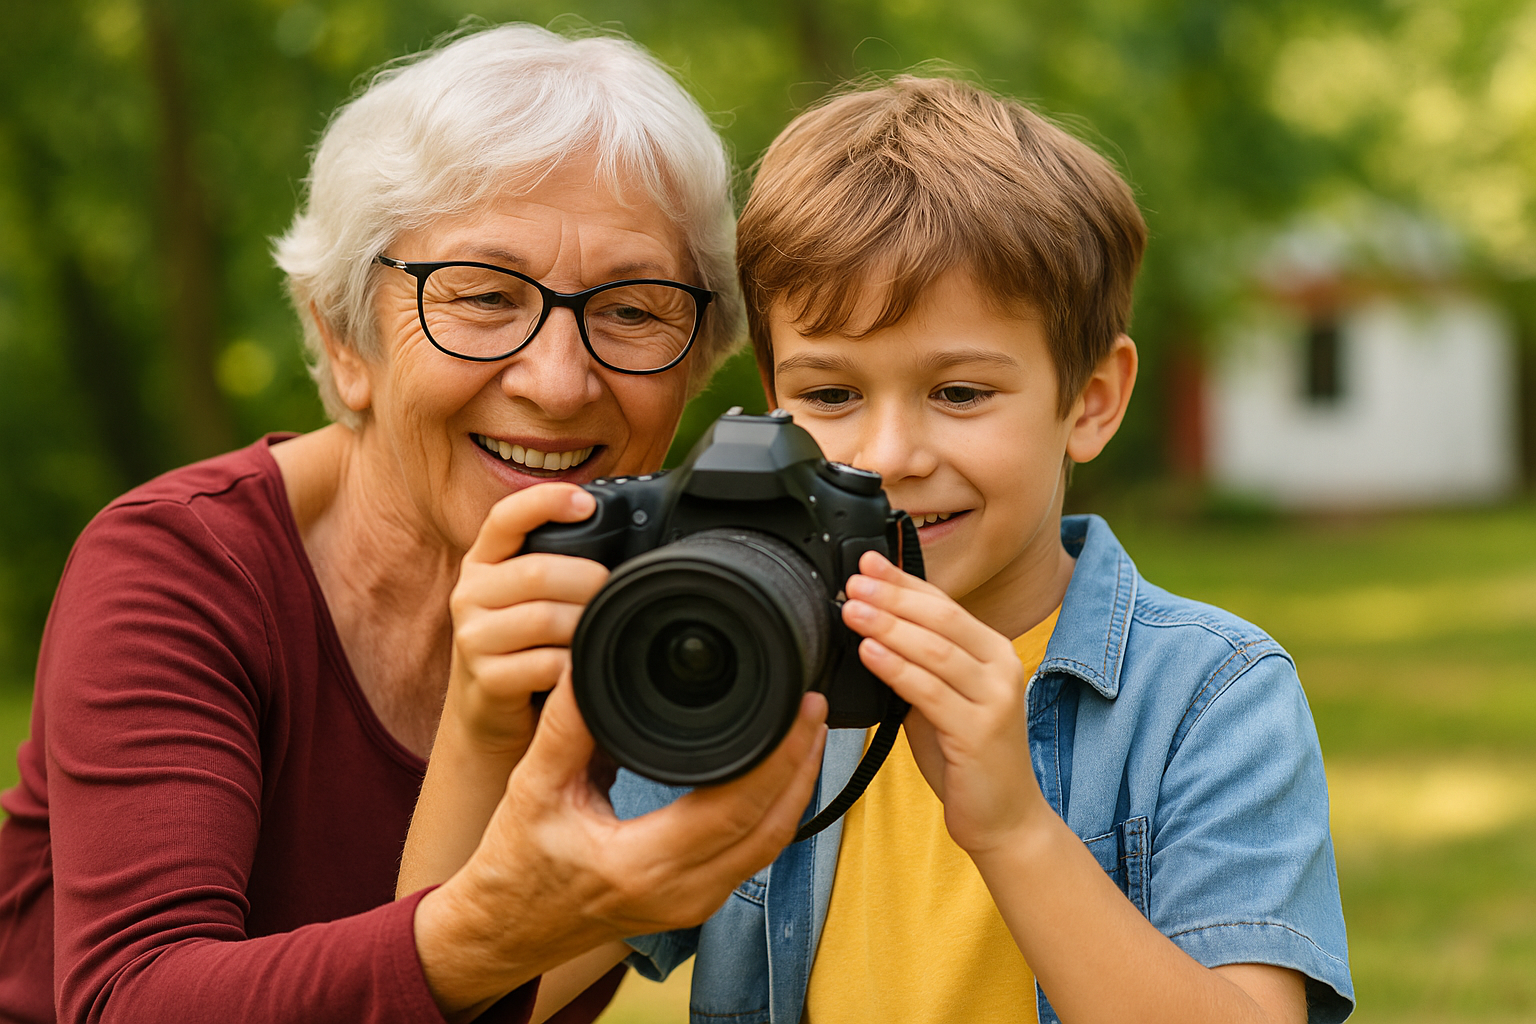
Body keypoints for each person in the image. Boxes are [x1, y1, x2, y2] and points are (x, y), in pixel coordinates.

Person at [0, 24, 828, 1024]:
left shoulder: (695, 627)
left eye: (632, 310)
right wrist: (490, 930)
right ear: (345, 337)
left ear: (697, 363)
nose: (559, 383)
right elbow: (134, 1001)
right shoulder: (184, 567)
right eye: (483, 296)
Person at [586, 77, 1354, 1023]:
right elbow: (497, 978)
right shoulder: (738, 651)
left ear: (1092, 401)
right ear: (775, 401)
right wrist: (491, 726)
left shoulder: (1208, 695)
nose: (889, 456)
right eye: (831, 395)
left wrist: (1017, 831)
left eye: (959, 393)